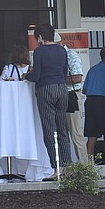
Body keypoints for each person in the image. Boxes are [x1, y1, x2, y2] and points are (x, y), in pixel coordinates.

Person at [24, 23, 72, 173]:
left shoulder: (39, 52)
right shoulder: (62, 51)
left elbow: (36, 75)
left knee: (49, 130)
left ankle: (56, 168)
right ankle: (66, 166)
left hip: (45, 89)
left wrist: (26, 76)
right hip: (61, 89)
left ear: (40, 37)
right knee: (62, 129)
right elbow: (64, 72)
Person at [55, 32, 89, 163]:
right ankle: (66, 167)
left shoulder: (70, 55)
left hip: (71, 96)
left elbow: (77, 78)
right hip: (58, 96)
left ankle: (84, 168)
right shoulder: (57, 56)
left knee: (76, 133)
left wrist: (57, 79)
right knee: (62, 135)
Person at [82, 46, 105, 161]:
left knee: (92, 134)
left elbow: (84, 90)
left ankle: (88, 162)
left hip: (90, 101)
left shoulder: (93, 69)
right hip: (103, 101)